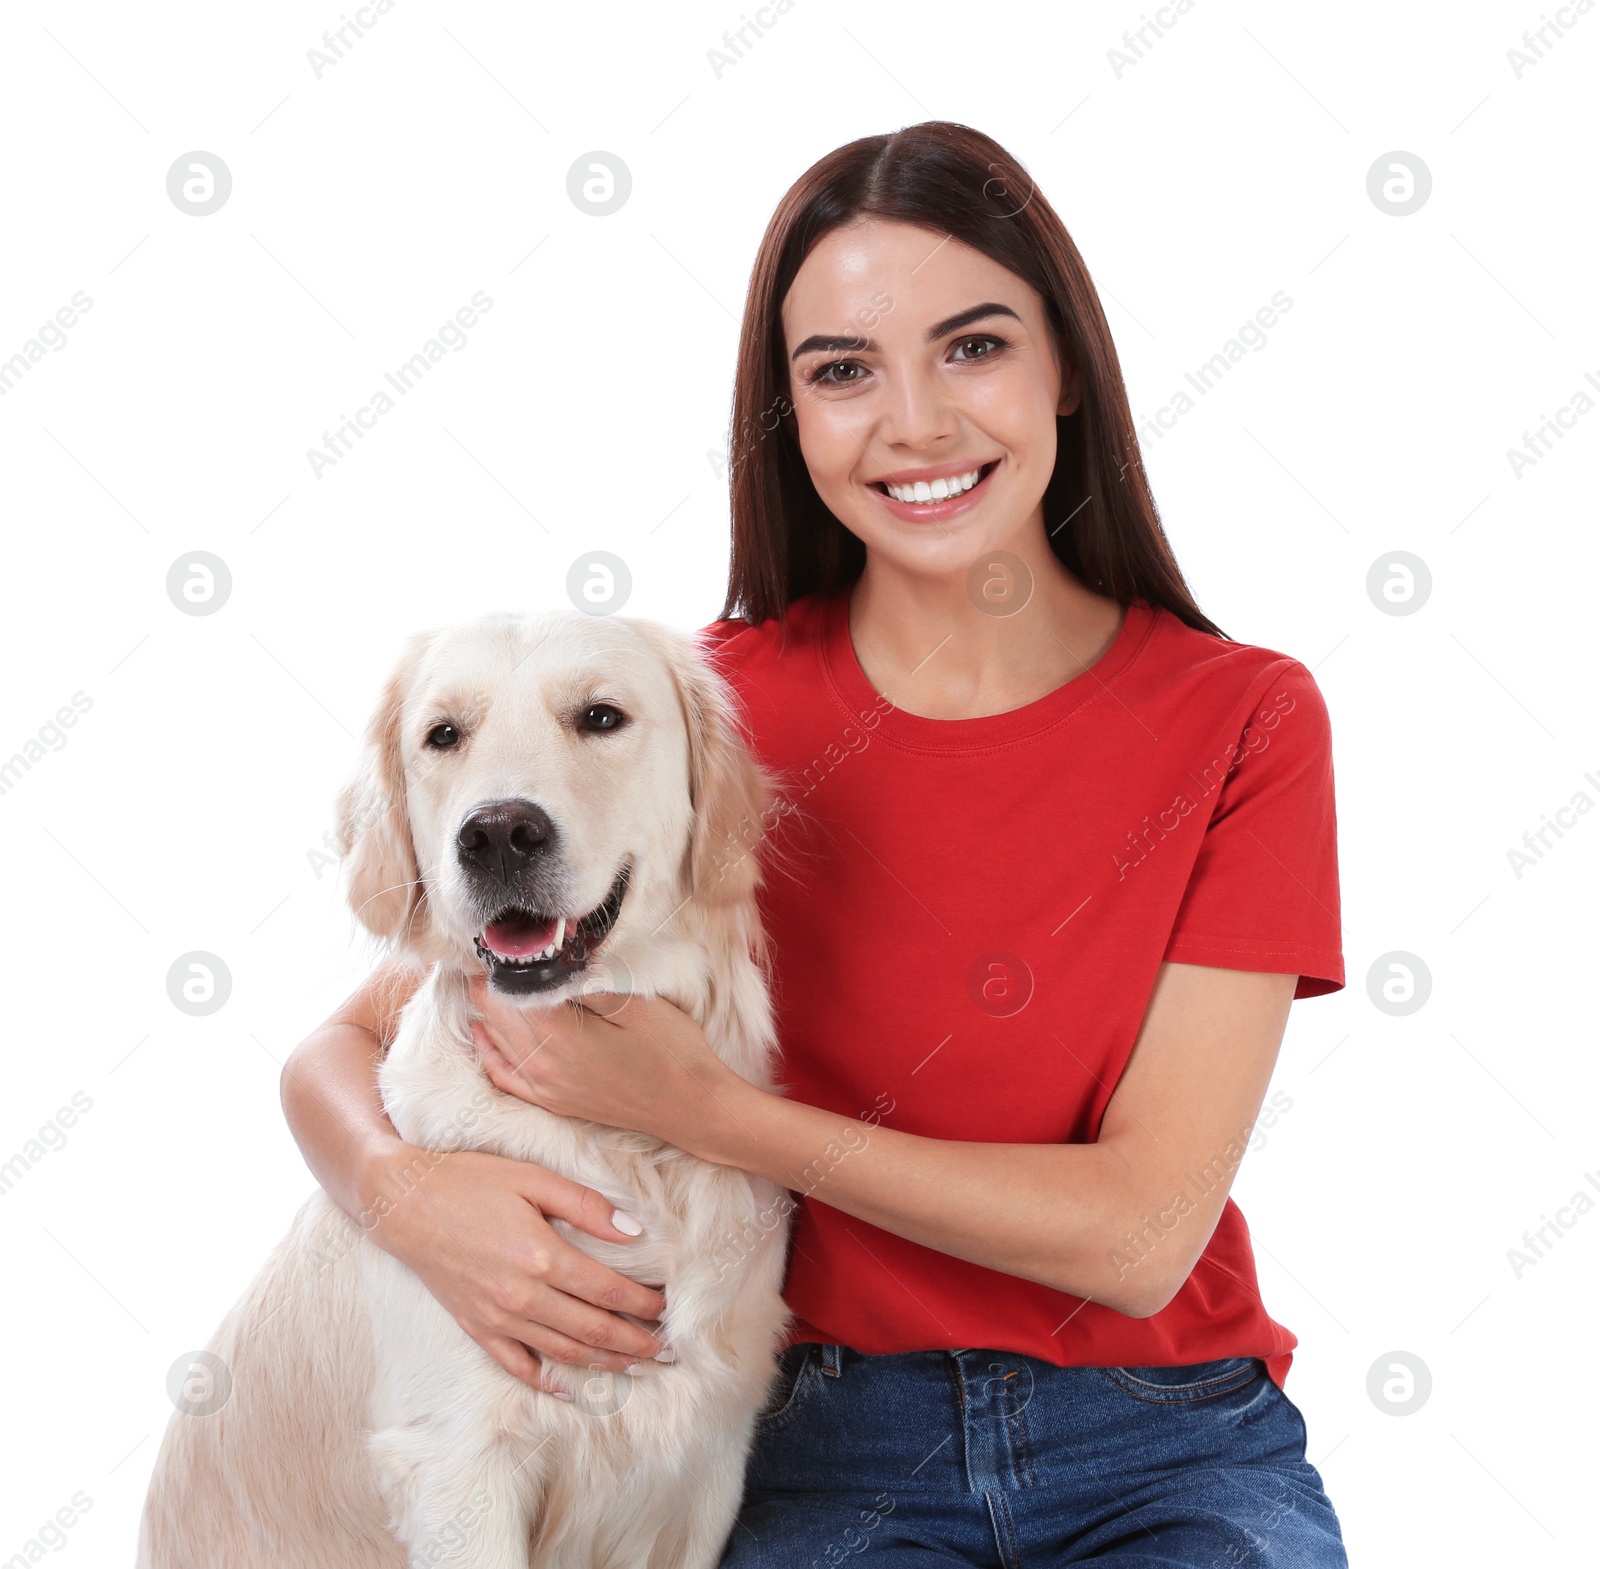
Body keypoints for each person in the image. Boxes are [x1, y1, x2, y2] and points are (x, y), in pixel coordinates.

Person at [282, 121, 1350, 1566]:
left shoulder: (1242, 720)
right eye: (841, 370)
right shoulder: (677, 715)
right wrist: (405, 1199)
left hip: (1164, 1430)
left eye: (972, 347)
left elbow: (1142, 1230)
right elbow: (350, 1038)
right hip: (819, 1432)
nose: (912, 421)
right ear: (788, 413)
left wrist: (716, 1115)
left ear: (1069, 371)